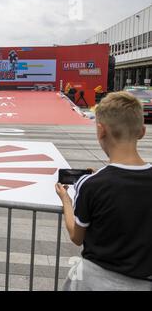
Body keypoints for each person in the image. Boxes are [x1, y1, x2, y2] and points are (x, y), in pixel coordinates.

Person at [55, 91, 152, 291]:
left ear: (101, 131)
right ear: (142, 132)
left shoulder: (91, 185)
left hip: (95, 282)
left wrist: (66, 200)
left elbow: (76, 236)